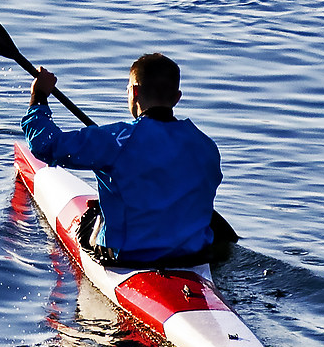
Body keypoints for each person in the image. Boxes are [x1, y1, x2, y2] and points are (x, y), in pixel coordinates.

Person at [23, 53, 232, 268]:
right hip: (194, 256)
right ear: (177, 97)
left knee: (87, 220)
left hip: (128, 257)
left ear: (134, 92)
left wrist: (39, 96)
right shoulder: (206, 145)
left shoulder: (115, 139)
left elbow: (44, 144)